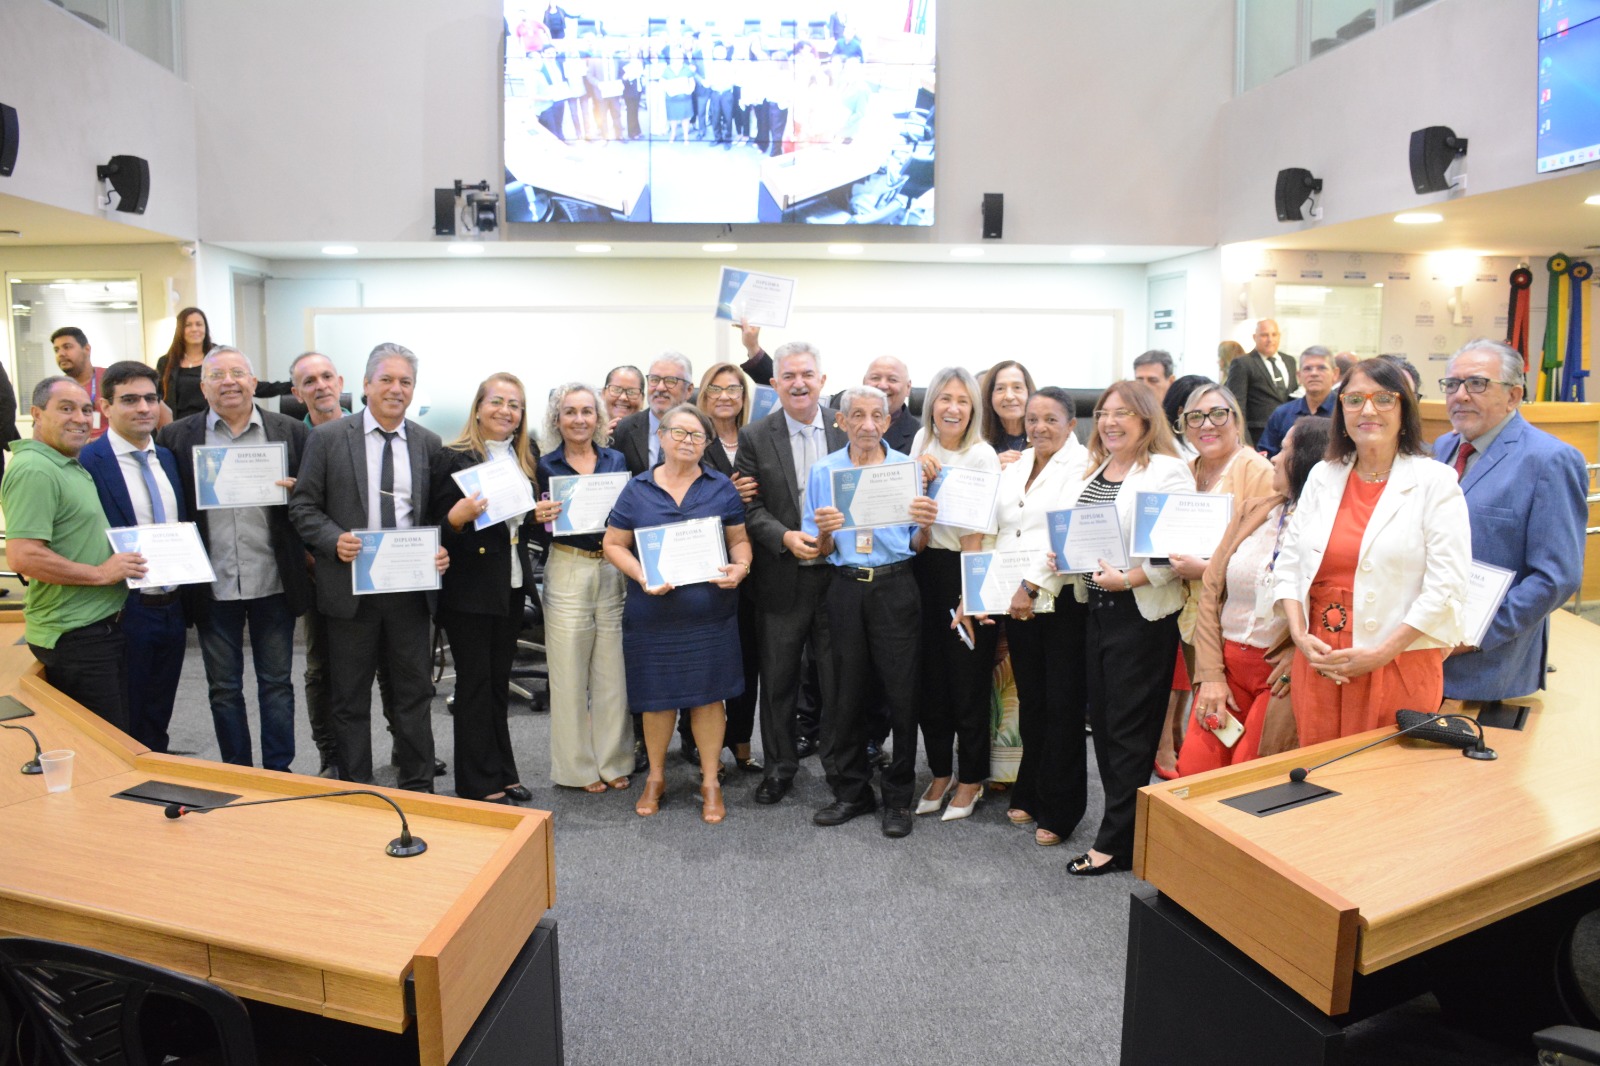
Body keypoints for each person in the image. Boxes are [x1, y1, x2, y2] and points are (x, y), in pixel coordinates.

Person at [1273, 357, 1470, 746]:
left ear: (1404, 410)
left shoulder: (1436, 482)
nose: (1367, 410)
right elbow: (1290, 563)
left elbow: (1446, 585)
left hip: (1399, 657)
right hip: (1321, 657)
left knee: (1384, 786)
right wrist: (1299, 634)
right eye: (1354, 399)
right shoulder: (1323, 475)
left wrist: (1381, 652)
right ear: (1340, 408)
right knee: (1319, 772)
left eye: (1383, 399)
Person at [289, 342, 451, 792]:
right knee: (349, 698)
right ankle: (358, 788)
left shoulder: (427, 443)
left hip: (409, 592)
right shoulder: (327, 439)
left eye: (405, 382)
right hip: (349, 590)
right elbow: (303, 507)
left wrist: (440, 549)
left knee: (414, 695)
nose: (396, 389)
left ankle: (419, 787)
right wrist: (331, 539)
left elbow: (433, 517)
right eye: (387, 380)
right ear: (365, 385)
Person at [1055, 380, 1193, 875]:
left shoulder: (1168, 472)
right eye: (1105, 413)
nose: (1111, 421)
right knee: (1108, 729)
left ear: (1146, 418)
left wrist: (1128, 578)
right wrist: (1064, 554)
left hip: (1140, 614)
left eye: (1123, 413)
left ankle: (1113, 842)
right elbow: (1086, 535)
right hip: (1094, 611)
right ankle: (1129, 831)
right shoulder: (1097, 470)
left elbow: (1175, 552)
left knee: (1131, 731)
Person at [157, 347, 310, 772]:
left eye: (238, 372)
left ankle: (279, 771)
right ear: (203, 387)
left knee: (277, 684)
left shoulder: (291, 432)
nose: (229, 381)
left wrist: (298, 491)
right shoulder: (177, 437)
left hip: (273, 580)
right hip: (213, 581)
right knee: (223, 687)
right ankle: (236, 769)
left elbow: (315, 502)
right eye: (217, 374)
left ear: (254, 381)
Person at [602, 404, 753, 824]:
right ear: (662, 437)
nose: (688, 441)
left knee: (709, 700)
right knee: (657, 702)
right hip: (653, 614)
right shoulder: (637, 489)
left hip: (709, 615)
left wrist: (741, 568)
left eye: (697, 436)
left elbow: (740, 542)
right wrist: (642, 573)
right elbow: (613, 544)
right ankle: (656, 776)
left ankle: (709, 781)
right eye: (679, 433)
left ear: (706, 443)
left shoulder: (721, 486)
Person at [803, 386, 939, 837]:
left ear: (887, 420)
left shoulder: (906, 470)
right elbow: (819, 550)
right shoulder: (825, 471)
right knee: (844, 692)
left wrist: (926, 525)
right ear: (841, 422)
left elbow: (916, 544)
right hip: (844, 588)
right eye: (856, 415)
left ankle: (897, 797)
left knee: (901, 694)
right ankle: (852, 792)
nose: (866, 424)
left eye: (875, 415)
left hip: (896, 587)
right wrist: (824, 534)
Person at [1432, 338, 1587, 701]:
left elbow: (1556, 577)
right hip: (1421, 650)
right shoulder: (1441, 448)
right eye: (1452, 384)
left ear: (1514, 396)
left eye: (1477, 383)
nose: (1461, 395)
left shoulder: (1550, 460)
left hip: (1487, 668)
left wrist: (1470, 637)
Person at [1180, 416, 1331, 774]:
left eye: (1286, 451)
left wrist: (1298, 654)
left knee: (1247, 780)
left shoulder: (1331, 529)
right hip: (1225, 666)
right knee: (1194, 771)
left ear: (1310, 462)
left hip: (1277, 678)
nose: (1275, 458)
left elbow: (1331, 605)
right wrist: (1211, 675)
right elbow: (1211, 594)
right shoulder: (1254, 512)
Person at [976, 387, 1089, 846]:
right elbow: (997, 529)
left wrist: (1030, 585)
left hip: (1057, 600)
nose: (1039, 427)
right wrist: (984, 590)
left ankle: (1062, 808)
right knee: (1034, 702)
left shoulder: (1082, 466)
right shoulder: (1017, 464)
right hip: (1013, 600)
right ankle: (1031, 787)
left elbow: (1071, 532)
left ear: (1071, 425)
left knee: (1063, 706)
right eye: (1033, 419)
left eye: (1051, 419)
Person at [736, 341, 847, 804]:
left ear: (822, 380)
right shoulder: (755, 435)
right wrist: (783, 536)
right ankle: (780, 766)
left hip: (840, 576)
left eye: (807, 374)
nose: (798, 383)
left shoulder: (847, 430)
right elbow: (749, 506)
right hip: (782, 576)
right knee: (778, 678)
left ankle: (842, 767)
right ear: (775, 383)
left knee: (840, 678)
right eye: (788, 376)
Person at [1, 376, 144, 730]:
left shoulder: (63, 463)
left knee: (117, 739)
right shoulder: (35, 470)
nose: (80, 418)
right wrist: (101, 573)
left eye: (85, 409)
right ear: (36, 413)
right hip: (76, 636)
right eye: (65, 409)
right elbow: (23, 556)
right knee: (105, 750)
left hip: (95, 629)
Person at [432, 373, 539, 804]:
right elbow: (436, 531)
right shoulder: (451, 459)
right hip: (469, 591)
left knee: (497, 684)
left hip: (510, 586)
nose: (505, 410)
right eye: (497, 401)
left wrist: (539, 514)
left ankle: (503, 771)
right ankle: (478, 782)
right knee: (475, 685)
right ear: (478, 407)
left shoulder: (522, 460)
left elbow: (517, 524)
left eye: (514, 405)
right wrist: (456, 518)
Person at [1160, 383, 1272, 776]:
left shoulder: (1256, 471)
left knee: (1222, 714)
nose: (1207, 424)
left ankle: (1219, 788)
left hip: (1232, 619)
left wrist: (1205, 570)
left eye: (1217, 414)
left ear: (1236, 420)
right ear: (1184, 426)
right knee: (1202, 712)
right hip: (1187, 612)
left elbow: (1264, 561)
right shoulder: (1186, 471)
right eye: (1195, 417)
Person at [78, 361, 188, 753]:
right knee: (125, 719)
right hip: (125, 609)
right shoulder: (89, 464)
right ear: (105, 407)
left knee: (159, 713)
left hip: (172, 607)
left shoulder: (169, 459)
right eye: (129, 400)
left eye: (150, 398)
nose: (143, 408)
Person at [908, 367, 1002, 821]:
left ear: (973, 409)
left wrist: (972, 597)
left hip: (967, 571)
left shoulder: (981, 456)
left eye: (962, 400)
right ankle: (941, 771)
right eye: (944, 398)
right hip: (923, 569)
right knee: (931, 682)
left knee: (967, 681)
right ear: (931, 405)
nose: (952, 408)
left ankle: (971, 779)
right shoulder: (920, 445)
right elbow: (918, 528)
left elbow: (974, 537)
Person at [535, 383, 634, 793]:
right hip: (568, 568)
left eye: (587, 411)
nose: (579, 419)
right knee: (569, 672)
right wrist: (538, 516)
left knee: (613, 671)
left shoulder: (617, 460)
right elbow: (531, 526)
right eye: (570, 412)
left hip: (612, 568)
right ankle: (576, 768)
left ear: (598, 418)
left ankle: (614, 761)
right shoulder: (543, 466)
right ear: (557, 419)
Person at [288, 350, 356, 776]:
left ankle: (403, 746)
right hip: (316, 567)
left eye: (327, 376)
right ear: (297, 393)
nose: (320, 386)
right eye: (309, 381)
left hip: (374, 568)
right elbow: (298, 512)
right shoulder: (291, 440)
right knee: (321, 666)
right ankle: (331, 753)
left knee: (387, 663)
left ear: (340, 381)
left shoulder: (367, 429)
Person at [697, 362, 764, 772]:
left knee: (748, 659)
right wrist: (728, 494)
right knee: (707, 660)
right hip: (704, 563)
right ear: (704, 395)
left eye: (734, 389)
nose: (725, 396)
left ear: (744, 397)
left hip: (753, 564)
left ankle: (741, 741)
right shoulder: (693, 439)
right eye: (716, 389)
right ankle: (701, 746)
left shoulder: (757, 439)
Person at [156, 308, 292, 422]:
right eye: (188, 325)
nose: (194, 329)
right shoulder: (166, 362)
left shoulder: (219, 357)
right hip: (181, 426)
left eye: (199, 324)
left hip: (215, 424)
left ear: (205, 328)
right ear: (180, 329)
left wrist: (289, 386)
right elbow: (158, 397)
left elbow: (247, 383)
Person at [614, 352, 694, 474]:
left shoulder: (701, 431)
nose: (660, 388)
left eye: (670, 381)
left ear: (689, 390)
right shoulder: (623, 429)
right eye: (654, 380)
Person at [1224, 319, 1297, 446]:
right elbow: (1237, 406)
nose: (1270, 339)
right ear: (1254, 337)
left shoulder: (1289, 361)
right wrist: (1245, 443)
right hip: (1257, 437)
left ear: (1279, 336)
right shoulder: (1243, 364)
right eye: (1264, 335)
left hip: (1288, 435)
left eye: (1274, 335)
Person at [1255, 345, 1336, 458]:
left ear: (1335, 374)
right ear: (1299, 376)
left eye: (1321, 368)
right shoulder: (1282, 414)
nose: (1314, 373)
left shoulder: (1344, 412)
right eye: (1307, 368)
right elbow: (1265, 454)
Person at [49, 327, 107, 441]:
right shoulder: (55, 388)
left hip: (109, 451)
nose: (61, 354)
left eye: (67, 347)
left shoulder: (110, 379)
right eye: (56, 350)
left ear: (87, 349)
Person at [979, 360, 1035, 468]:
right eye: (1000, 389)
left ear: (1029, 392)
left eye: (1017, 387)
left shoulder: (1047, 433)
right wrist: (990, 465)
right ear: (989, 396)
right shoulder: (977, 440)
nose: (1009, 396)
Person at [863, 356, 918, 453]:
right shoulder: (842, 427)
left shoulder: (920, 436)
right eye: (875, 378)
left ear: (908, 387)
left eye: (892, 380)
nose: (882, 385)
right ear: (864, 383)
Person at [602, 364, 645, 436]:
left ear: (642, 399)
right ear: (603, 394)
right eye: (616, 390)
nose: (623, 397)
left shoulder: (652, 436)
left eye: (632, 392)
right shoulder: (588, 432)